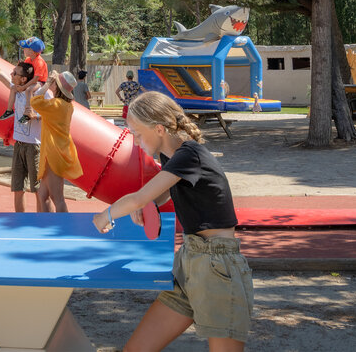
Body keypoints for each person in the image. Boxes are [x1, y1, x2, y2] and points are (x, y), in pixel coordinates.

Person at [92, 91, 252, 351]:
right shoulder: (172, 156)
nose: (134, 141)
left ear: (158, 128)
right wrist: (151, 204)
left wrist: (105, 216)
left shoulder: (190, 154)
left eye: (137, 134)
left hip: (217, 265)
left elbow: (137, 198)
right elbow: (161, 193)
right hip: (191, 262)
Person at [0, 37, 44, 212]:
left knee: (38, 190)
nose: (11, 74)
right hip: (19, 144)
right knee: (18, 188)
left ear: (23, 79)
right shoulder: (16, 89)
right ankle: (20, 223)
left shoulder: (39, 93)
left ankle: (44, 223)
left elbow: (52, 117)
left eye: (15, 74)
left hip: (34, 146)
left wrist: (34, 116)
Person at [29, 70, 83, 213]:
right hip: (55, 152)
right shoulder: (67, 106)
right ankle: (46, 226)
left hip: (53, 154)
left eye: (54, 82)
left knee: (57, 198)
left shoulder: (56, 104)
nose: (52, 83)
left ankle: (63, 229)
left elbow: (35, 100)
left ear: (57, 88)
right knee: (42, 195)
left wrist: (46, 83)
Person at [0, 36, 49, 121]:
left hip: (40, 82)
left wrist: (24, 87)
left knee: (29, 90)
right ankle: (9, 110)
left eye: (25, 48)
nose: (23, 49)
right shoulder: (29, 59)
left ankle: (28, 113)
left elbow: (36, 79)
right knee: (13, 88)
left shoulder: (39, 62)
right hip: (31, 80)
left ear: (32, 51)